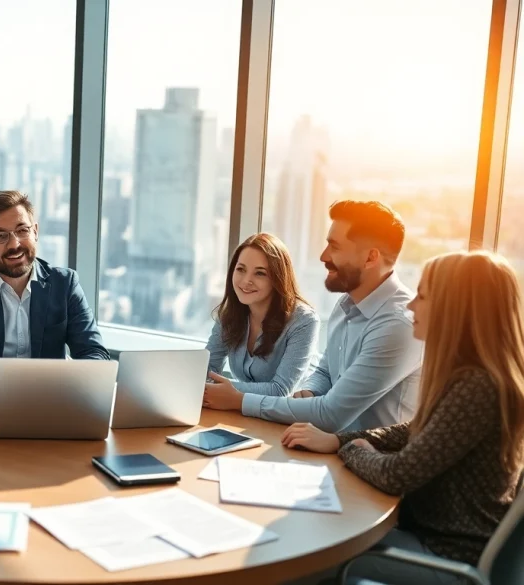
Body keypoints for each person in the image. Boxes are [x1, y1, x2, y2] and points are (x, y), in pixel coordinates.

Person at [282, 251, 524, 584]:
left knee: (302, 559)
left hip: (443, 556)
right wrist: (338, 439)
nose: (411, 306)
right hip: (430, 539)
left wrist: (350, 450)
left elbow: (397, 474)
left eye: (422, 296)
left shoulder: (478, 387)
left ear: (454, 309)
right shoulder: (473, 378)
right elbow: (413, 431)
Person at [206, 201, 422, 432]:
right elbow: (326, 372)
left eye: (334, 247)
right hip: (326, 441)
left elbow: (331, 414)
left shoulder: (398, 325)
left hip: (372, 451)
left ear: (370, 258)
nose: (323, 256)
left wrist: (239, 400)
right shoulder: (346, 305)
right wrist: (308, 392)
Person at [0, 189, 110, 398]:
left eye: (22, 230)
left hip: (52, 400)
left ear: (35, 232)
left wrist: (71, 384)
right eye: (0, 236)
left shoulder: (65, 284)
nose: (14, 244)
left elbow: (94, 353)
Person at [202, 233, 319, 407]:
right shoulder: (230, 313)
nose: (246, 281)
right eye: (241, 269)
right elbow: (207, 368)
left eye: (260, 273)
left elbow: (281, 391)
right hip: (244, 410)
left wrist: (228, 392)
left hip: (291, 414)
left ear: (278, 279)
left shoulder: (304, 321)